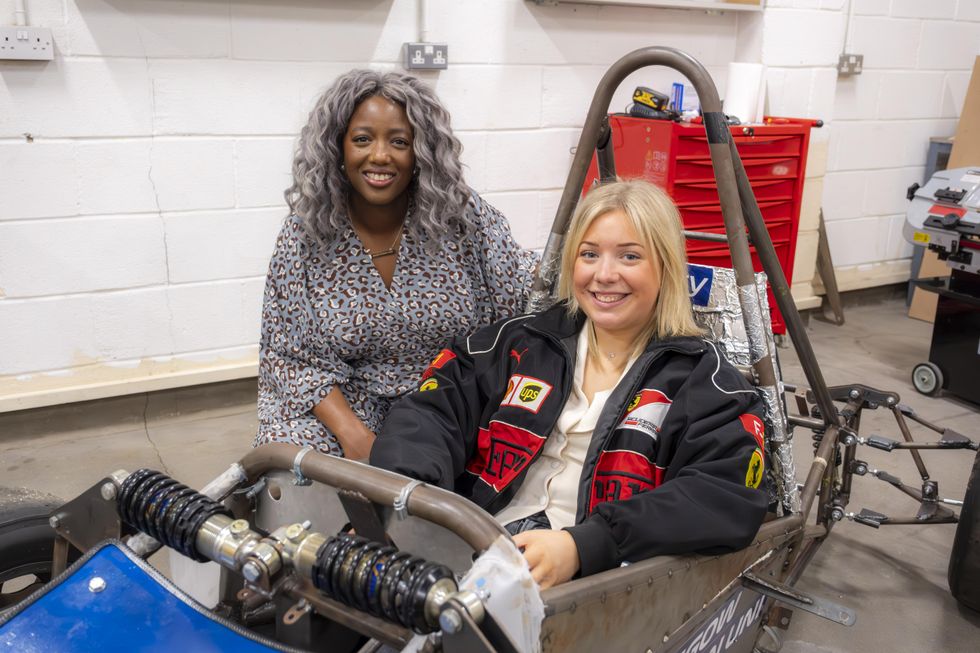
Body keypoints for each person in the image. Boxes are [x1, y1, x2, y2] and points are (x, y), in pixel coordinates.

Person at [370, 179, 769, 589]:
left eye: (629, 256)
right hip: (470, 541)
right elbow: (429, 413)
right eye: (589, 254)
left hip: (596, 582)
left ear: (666, 267)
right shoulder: (516, 344)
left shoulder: (707, 382)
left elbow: (721, 495)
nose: (604, 274)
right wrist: (408, 499)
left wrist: (584, 546)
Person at [256, 70, 537, 458]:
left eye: (399, 141)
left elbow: (521, 283)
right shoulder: (307, 231)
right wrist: (352, 435)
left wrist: (595, 261)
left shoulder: (459, 215)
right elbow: (287, 354)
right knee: (297, 468)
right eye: (362, 139)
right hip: (346, 402)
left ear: (421, 151)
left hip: (445, 398)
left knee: (427, 488)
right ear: (337, 147)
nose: (380, 156)